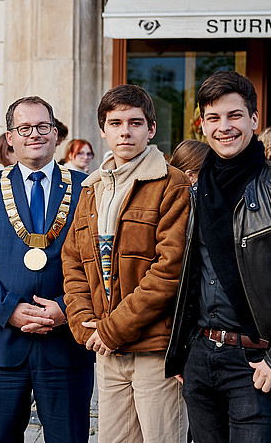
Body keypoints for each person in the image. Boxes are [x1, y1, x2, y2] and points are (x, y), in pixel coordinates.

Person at [0, 96, 95, 443]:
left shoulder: (88, 188)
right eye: (24, 128)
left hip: (66, 341)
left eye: (42, 127)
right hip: (0, 340)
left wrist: (67, 308)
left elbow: (99, 259)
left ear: (55, 134)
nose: (34, 134)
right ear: (10, 137)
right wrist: (10, 309)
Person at [62, 84, 190, 443]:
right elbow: (73, 260)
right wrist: (85, 325)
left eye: (135, 123)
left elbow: (170, 268)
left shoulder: (170, 182)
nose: (125, 131)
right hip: (106, 348)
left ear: (150, 129)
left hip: (154, 348)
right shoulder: (92, 187)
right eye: (115, 123)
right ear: (103, 130)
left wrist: (112, 329)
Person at [166, 71, 271, 442]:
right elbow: (189, 274)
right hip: (201, 359)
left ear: (254, 120)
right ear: (202, 125)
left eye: (234, 116)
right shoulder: (195, 191)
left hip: (258, 362)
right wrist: (186, 348)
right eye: (213, 118)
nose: (224, 127)